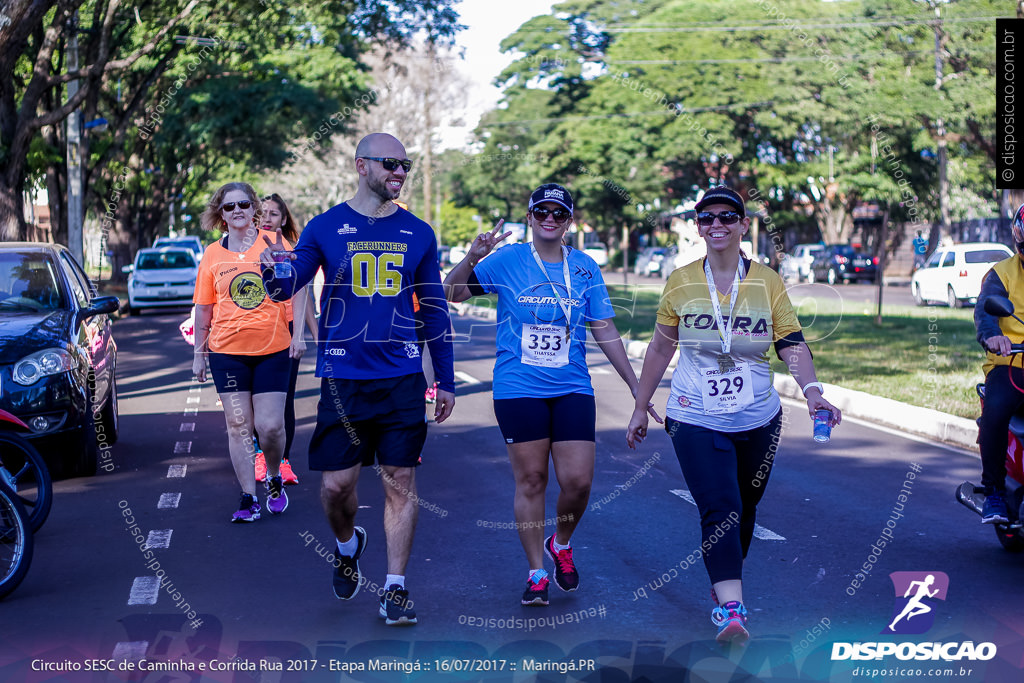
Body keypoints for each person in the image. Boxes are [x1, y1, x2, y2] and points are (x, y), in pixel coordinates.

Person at [625, 185, 841, 644]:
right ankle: (731, 608)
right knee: (720, 506)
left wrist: (814, 391)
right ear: (698, 227)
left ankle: (724, 584)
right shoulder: (681, 281)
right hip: (693, 414)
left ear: (744, 225)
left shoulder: (767, 280)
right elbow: (663, 345)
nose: (717, 225)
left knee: (744, 510)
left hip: (759, 417)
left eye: (727, 217)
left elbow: (790, 342)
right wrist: (641, 407)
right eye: (707, 218)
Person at [259, 133, 455, 626]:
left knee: (401, 483)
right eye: (390, 163)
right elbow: (293, 279)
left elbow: (432, 308)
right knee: (335, 488)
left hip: (403, 377)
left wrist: (446, 378)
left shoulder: (419, 232)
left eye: (405, 165)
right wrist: (272, 274)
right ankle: (349, 544)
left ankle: (394, 589)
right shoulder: (326, 227)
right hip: (343, 379)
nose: (400, 172)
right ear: (360, 166)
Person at [444, 183, 660, 607]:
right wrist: (473, 257)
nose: (549, 218)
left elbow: (605, 330)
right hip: (518, 386)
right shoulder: (506, 261)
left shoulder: (584, 267)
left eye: (558, 213)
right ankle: (536, 572)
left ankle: (560, 543)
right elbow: (450, 294)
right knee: (532, 479)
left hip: (572, 385)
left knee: (577, 482)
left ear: (569, 221)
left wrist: (638, 389)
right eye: (541, 210)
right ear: (529, 216)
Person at [192, 182, 293, 522]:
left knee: (270, 428)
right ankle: (249, 497)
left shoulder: (275, 243)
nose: (237, 211)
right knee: (238, 425)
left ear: (254, 210)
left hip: (272, 347)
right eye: (229, 206)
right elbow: (204, 308)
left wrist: (298, 335)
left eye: (244, 205)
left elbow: (292, 289)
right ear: (220, 214)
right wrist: (198, 354)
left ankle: (275, 475)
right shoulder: (212, 254)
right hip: (226, 352)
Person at [256, 192, 315, 486]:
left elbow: (300, 290)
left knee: (283, 400)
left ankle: (283, 461)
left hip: (284, 331)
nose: (267, 218)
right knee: (252, 403)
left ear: (283, 219)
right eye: (262, 212)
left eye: (274, 214)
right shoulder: (239, 248)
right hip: (249, 334)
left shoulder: (286, 249)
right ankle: (259, 454)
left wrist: (301, 336)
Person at [974, 202, 1024, 524]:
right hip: (1011, 363)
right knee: (996, 410)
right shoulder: (1001, 273)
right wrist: (994, 336)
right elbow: (984, 312)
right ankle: (993, 490)